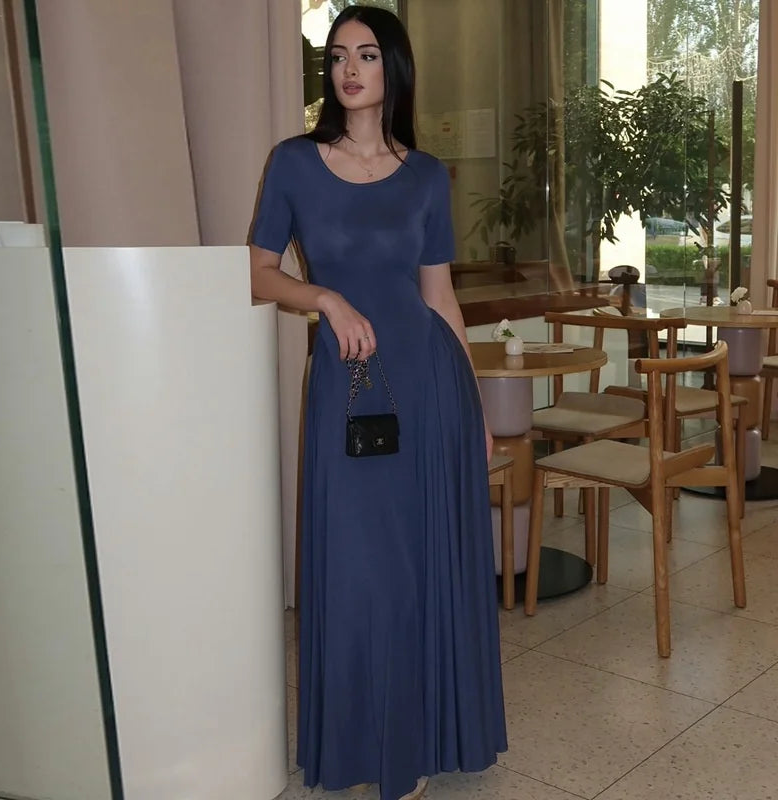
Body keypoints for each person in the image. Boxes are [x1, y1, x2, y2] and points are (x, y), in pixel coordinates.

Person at [249, 6, 507, 799]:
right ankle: (360, 742)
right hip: (346, 389)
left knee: (416, 564)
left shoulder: (428, 176)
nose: (348, 69)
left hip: (428, 389)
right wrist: (325, 297)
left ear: (393, 68)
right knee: (358, 564)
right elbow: (256, 272)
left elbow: (441, 300)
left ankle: (415, 741)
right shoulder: (293, 162)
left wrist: (479, 416)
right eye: (336, 57)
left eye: (365, 54)